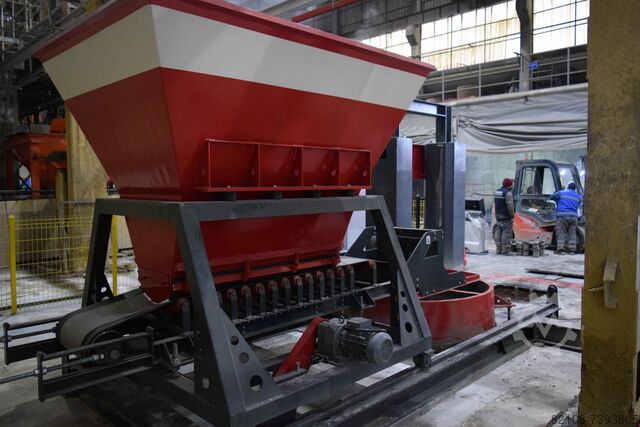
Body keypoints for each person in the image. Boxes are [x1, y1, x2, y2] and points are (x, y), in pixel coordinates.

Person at [551, 181, 583, 255]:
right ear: (575, 188)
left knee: (561, 232)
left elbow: (552, 197)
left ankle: (560, 249)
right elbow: (579, 203)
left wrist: (558, 201)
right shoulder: (578, 196)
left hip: (562, 216)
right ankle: (572, 250)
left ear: (568, 186)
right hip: (574, 217)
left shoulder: (561, 193)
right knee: (572, 232)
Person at [494, 178, 515, 255]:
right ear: (509, 185)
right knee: (506, 234)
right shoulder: (508, 193)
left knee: (499, 233)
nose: (512, 186)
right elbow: (510, 206)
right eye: (511, 184)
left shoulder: (497, 191)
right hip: (506, 217)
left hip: (498, 216)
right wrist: (512, 216)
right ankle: (505, 251)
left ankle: (498, 250)